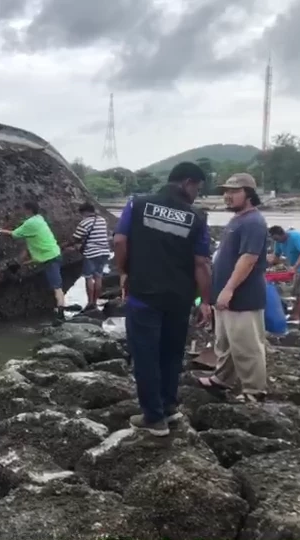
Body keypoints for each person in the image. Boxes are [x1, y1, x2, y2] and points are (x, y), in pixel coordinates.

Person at [113, 161, 212, 436]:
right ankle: (169, 407)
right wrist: (205, 301)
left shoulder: (138, 204)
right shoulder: (197, 217)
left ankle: (154, 419)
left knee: (145, 355)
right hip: (180, 298)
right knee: (171, 354)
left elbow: (120, 241)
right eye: (197, 188)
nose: (197, 195)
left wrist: (124, 271)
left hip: (144, 295)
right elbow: (201, 263)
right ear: (186, 183)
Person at [196, 173, 269, 403]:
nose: (227, 196)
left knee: (247, 346)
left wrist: (228, 290)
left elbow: (248, 258)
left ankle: (255, 391)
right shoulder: (237, 220)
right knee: (225, 343)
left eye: (234, 191)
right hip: (224, 295)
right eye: (225, 192)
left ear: (249, 194)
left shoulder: (254, 222)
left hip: (243, 297)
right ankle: (222, 379)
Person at [0, 201, 65, 322]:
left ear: (28, 210)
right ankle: (16, 268)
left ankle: (61, 314)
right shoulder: (39, 219)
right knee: (28, 249)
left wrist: (0, 231)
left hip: (49, 257)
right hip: (52, 253)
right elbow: (28, 246)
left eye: (24, 209)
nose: (22, 211)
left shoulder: (31, 223)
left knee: (57, 287)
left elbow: (15, 234)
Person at [267, 226, 300, 323]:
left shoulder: (296, 237)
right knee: (297, 291)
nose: (276, 241)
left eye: (277, 239)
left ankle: (295, 315)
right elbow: (277, 256)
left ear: (282, 234)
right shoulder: (279, 242)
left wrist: (295, 266)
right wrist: (268, 265)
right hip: (297, 267)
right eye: (274, 239)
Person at [69, 202, 110, 311]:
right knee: (98, 277)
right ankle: (95, 303)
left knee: (88, 278)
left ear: (85, 212)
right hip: (105, 252)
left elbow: (75, 239)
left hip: (92, 253)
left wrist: (63, 246)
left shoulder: (84, 222)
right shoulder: (102, 220)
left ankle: (90, 302)